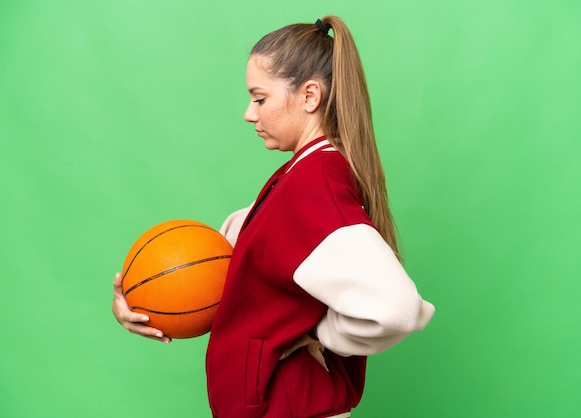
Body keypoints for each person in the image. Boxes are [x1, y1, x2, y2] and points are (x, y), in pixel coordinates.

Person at [112, 15, 435, 418]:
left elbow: (396, 309)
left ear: (310, 96)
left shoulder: (313, 186)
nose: (250, 114)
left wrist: (317, 332)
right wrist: (148, 296)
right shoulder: (307, 172)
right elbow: (254, 247)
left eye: (260, 98)